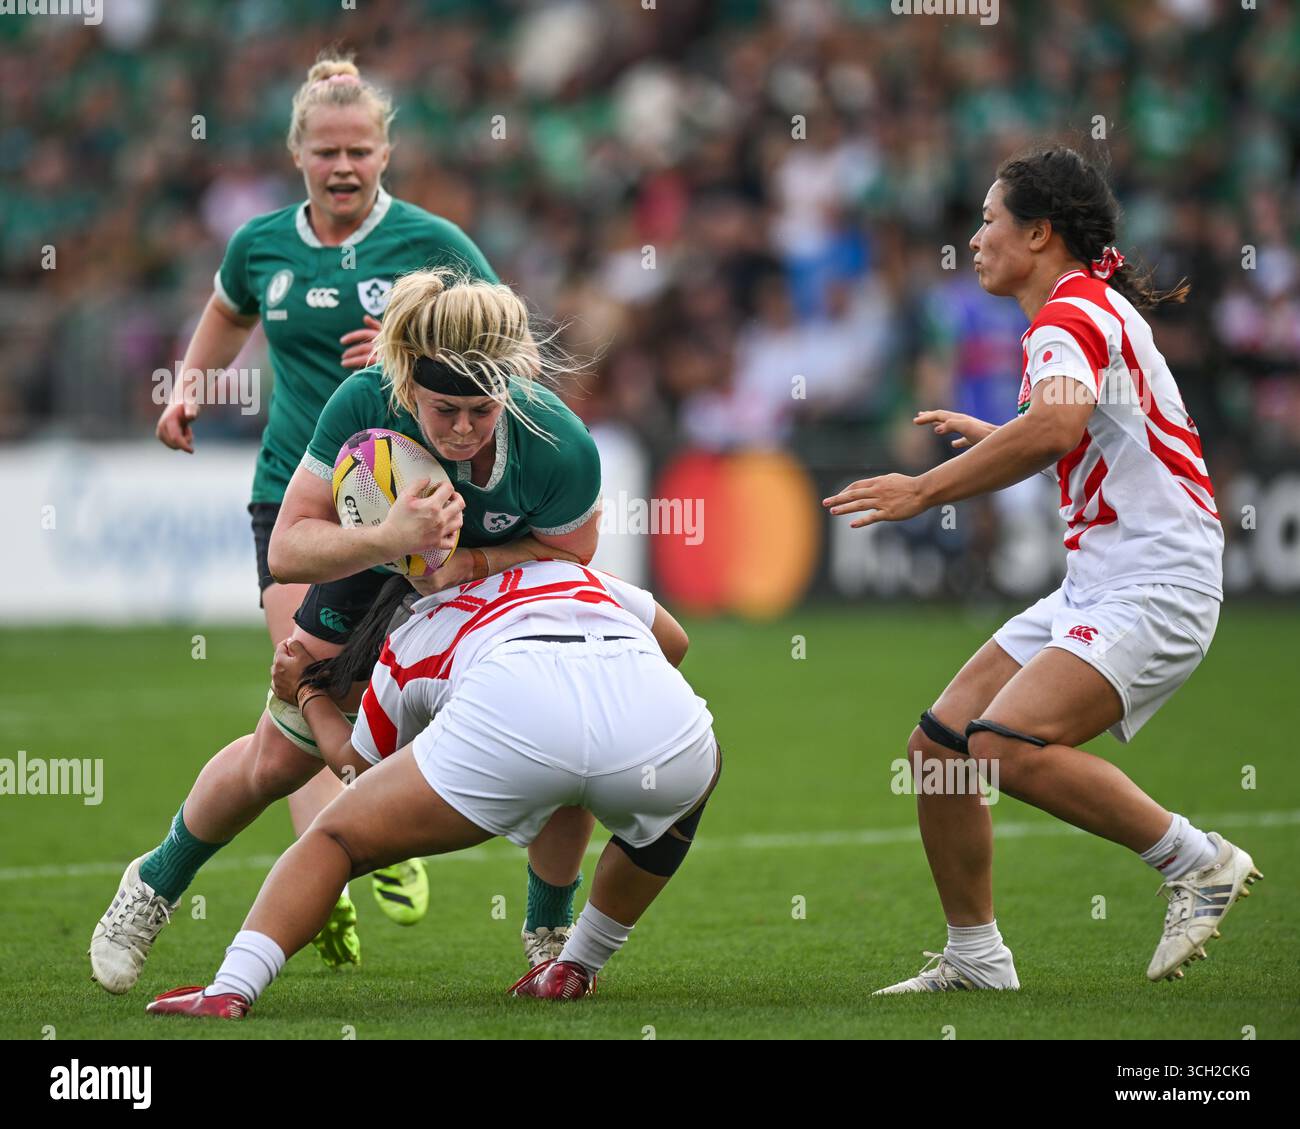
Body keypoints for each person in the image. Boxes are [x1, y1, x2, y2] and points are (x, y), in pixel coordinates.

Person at [91, 269, 604, 995]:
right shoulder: (365, 399)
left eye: (480, 411)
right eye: (442, 409)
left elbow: (574, 555)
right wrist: (391, 537)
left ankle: (549, 929)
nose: (461, 429)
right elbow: (289, 546)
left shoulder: (559, 442)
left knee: (571, 726)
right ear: (407, 387)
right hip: (372, 563)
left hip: (492, 581)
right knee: (278, 759)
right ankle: (153, 881)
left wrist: (467, 561)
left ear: (509, 391)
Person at [824, 146, 1261, 993]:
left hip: (1154, 581)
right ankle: (978, 958)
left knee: (1004, 744)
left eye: (990, 221)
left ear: (1039, 232)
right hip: (1105, 578)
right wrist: (997, 436)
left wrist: (922, 488)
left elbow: (1057, 429)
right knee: (941, 748)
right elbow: (1087, 436)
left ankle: (1196, 860)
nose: (976, 238)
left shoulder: (1068, 316)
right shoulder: (1078, 307)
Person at [147, 49, 500, 963]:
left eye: (361, 151)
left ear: (386, 153)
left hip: (407, 504)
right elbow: (229, 311)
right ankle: (333, 860)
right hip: (294, 498)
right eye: (326, 152)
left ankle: (346, 837)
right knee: (302, 682)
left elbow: (498, 334)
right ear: (298, 153)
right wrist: (189, 388)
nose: (344, 167)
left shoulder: (433, 242)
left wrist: (404, 349)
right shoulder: (260, 244)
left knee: (382, 690)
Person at [144, 560, 720, 1017]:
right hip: (657, 727)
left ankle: (230, 990)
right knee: (692, 782)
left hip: (513, 721)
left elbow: (353, 769)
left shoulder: (416, 625)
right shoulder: (574, 570)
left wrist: (308, 694)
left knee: (335, 840)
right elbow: (676, 643)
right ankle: (574, 967)